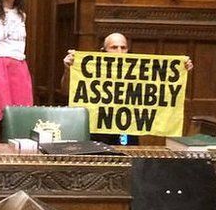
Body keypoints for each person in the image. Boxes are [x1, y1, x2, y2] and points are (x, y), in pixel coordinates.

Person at [61, 32, 193, 145]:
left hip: (127, 133)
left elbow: (164, 90)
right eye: (114, 47)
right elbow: (66, 91)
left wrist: (182, 69)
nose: (119, 51)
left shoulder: (137, 72)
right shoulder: (91, 69)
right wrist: (68, 69)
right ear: (103, 51)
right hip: (97, 133)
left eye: (123, 47)